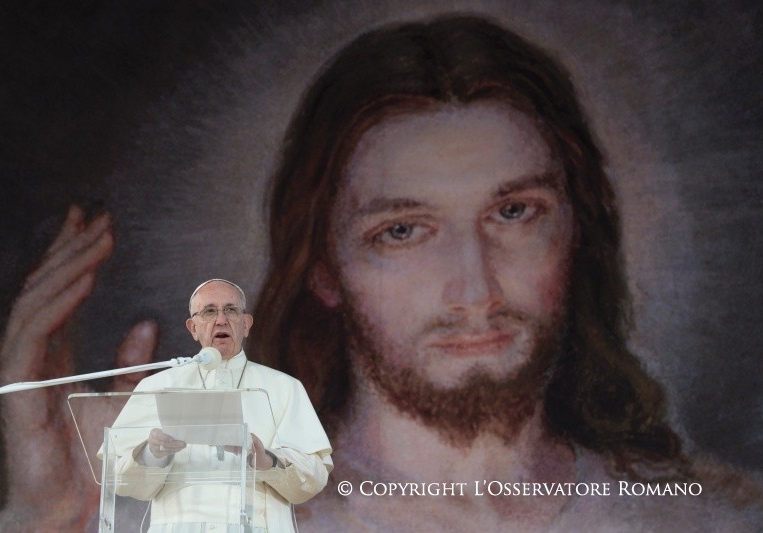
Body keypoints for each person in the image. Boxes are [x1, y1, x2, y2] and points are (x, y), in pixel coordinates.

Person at [249, 14, 762, 531]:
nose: (476, 292)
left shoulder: (714, 517)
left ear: (578, 230)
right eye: (402, 231)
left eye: (514, 213)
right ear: (323, 269)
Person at [108, 279, 332, 532]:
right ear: (193, 328)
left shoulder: (283, 387)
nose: (221, 320)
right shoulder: (157, 386)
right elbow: (117, 476)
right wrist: (152, 453)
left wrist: (265, 460)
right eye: (209, 311)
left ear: (246, 325)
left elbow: (314, 476)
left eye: (231, 310)